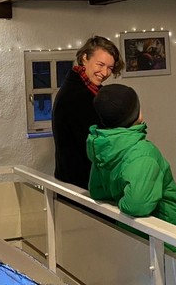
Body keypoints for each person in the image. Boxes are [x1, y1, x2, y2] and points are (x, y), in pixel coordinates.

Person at [87, 84, 176, 248]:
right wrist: (124, 204)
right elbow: (137, 204)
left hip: (131, 235)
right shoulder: (143, 152)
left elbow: (97, 190)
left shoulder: (103, 147)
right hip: (165, 236)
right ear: (134, 114)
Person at [52, 36, 123, 189]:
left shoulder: (82, 87)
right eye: (100, 64)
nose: (105, 72)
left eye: (110, 68)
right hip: (80, 184)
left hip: (74, 180)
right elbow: (95, 145)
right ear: (85, 58)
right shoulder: (78, 95)